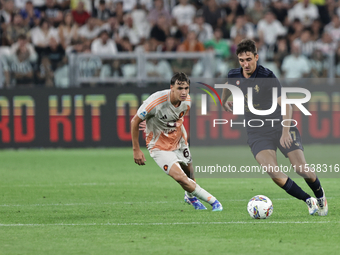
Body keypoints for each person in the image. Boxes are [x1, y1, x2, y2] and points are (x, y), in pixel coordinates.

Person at [221, 39, 328, 216]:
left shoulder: (266, 77)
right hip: (256, 131)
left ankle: (320, 195)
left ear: (256, 57)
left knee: (300, 168)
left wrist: (285, 132)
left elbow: (287, 106)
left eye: (249, 59)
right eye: (241, 60)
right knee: (272, 170)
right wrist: (224, 101)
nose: (245, 64)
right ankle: (308, 200)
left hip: (280, 125)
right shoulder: (234, 75)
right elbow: (227, 85)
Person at [131, 72, 223, 212]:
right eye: (180, 88)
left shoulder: (187, 102)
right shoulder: (156, 102)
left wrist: (182, 139)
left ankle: (190, 197)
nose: (184, 92)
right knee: (180, 177)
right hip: (159, 146)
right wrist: (136, 150)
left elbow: (177, 121)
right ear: (171, 88)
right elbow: (134, 121)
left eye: (186, 88)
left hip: (179, 141)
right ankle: (214, 202)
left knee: (190, 174)